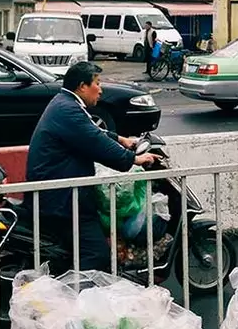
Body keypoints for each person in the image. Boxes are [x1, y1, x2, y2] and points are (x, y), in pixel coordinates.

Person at [26, 61, 157, 272]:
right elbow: (95, 140)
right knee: (96, 254)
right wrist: (133, 159)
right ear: (82, 86)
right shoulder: (68, 110)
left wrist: (121, 138)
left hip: (60, 192)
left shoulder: (65, 103)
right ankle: (76, 298)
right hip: (63, 200)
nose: (101, 89)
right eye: (97, 83)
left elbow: (91, 132)